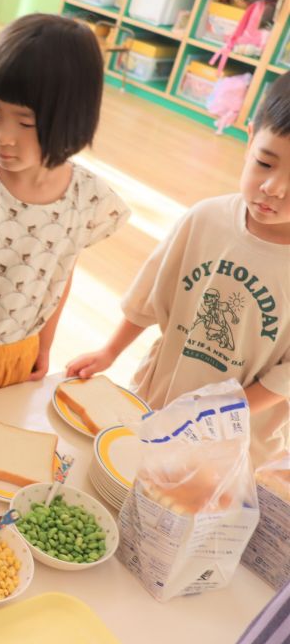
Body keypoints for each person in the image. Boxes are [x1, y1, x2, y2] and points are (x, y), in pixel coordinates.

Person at [67, 71, 290, 465]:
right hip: (159, 402)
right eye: (264, 162)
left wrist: (211, 417)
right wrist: (110, 351)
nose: (273, 187)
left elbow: (283, 380)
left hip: (236, 443)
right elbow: (152, 295)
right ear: (250, 137)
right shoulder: (206, 218)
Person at [0, 14, 130, 406]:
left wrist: (44, 346)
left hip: (18, 357)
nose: (3, 136)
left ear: (72, 120)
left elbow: (59, 274)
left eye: (25, 122)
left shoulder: (88, 199)